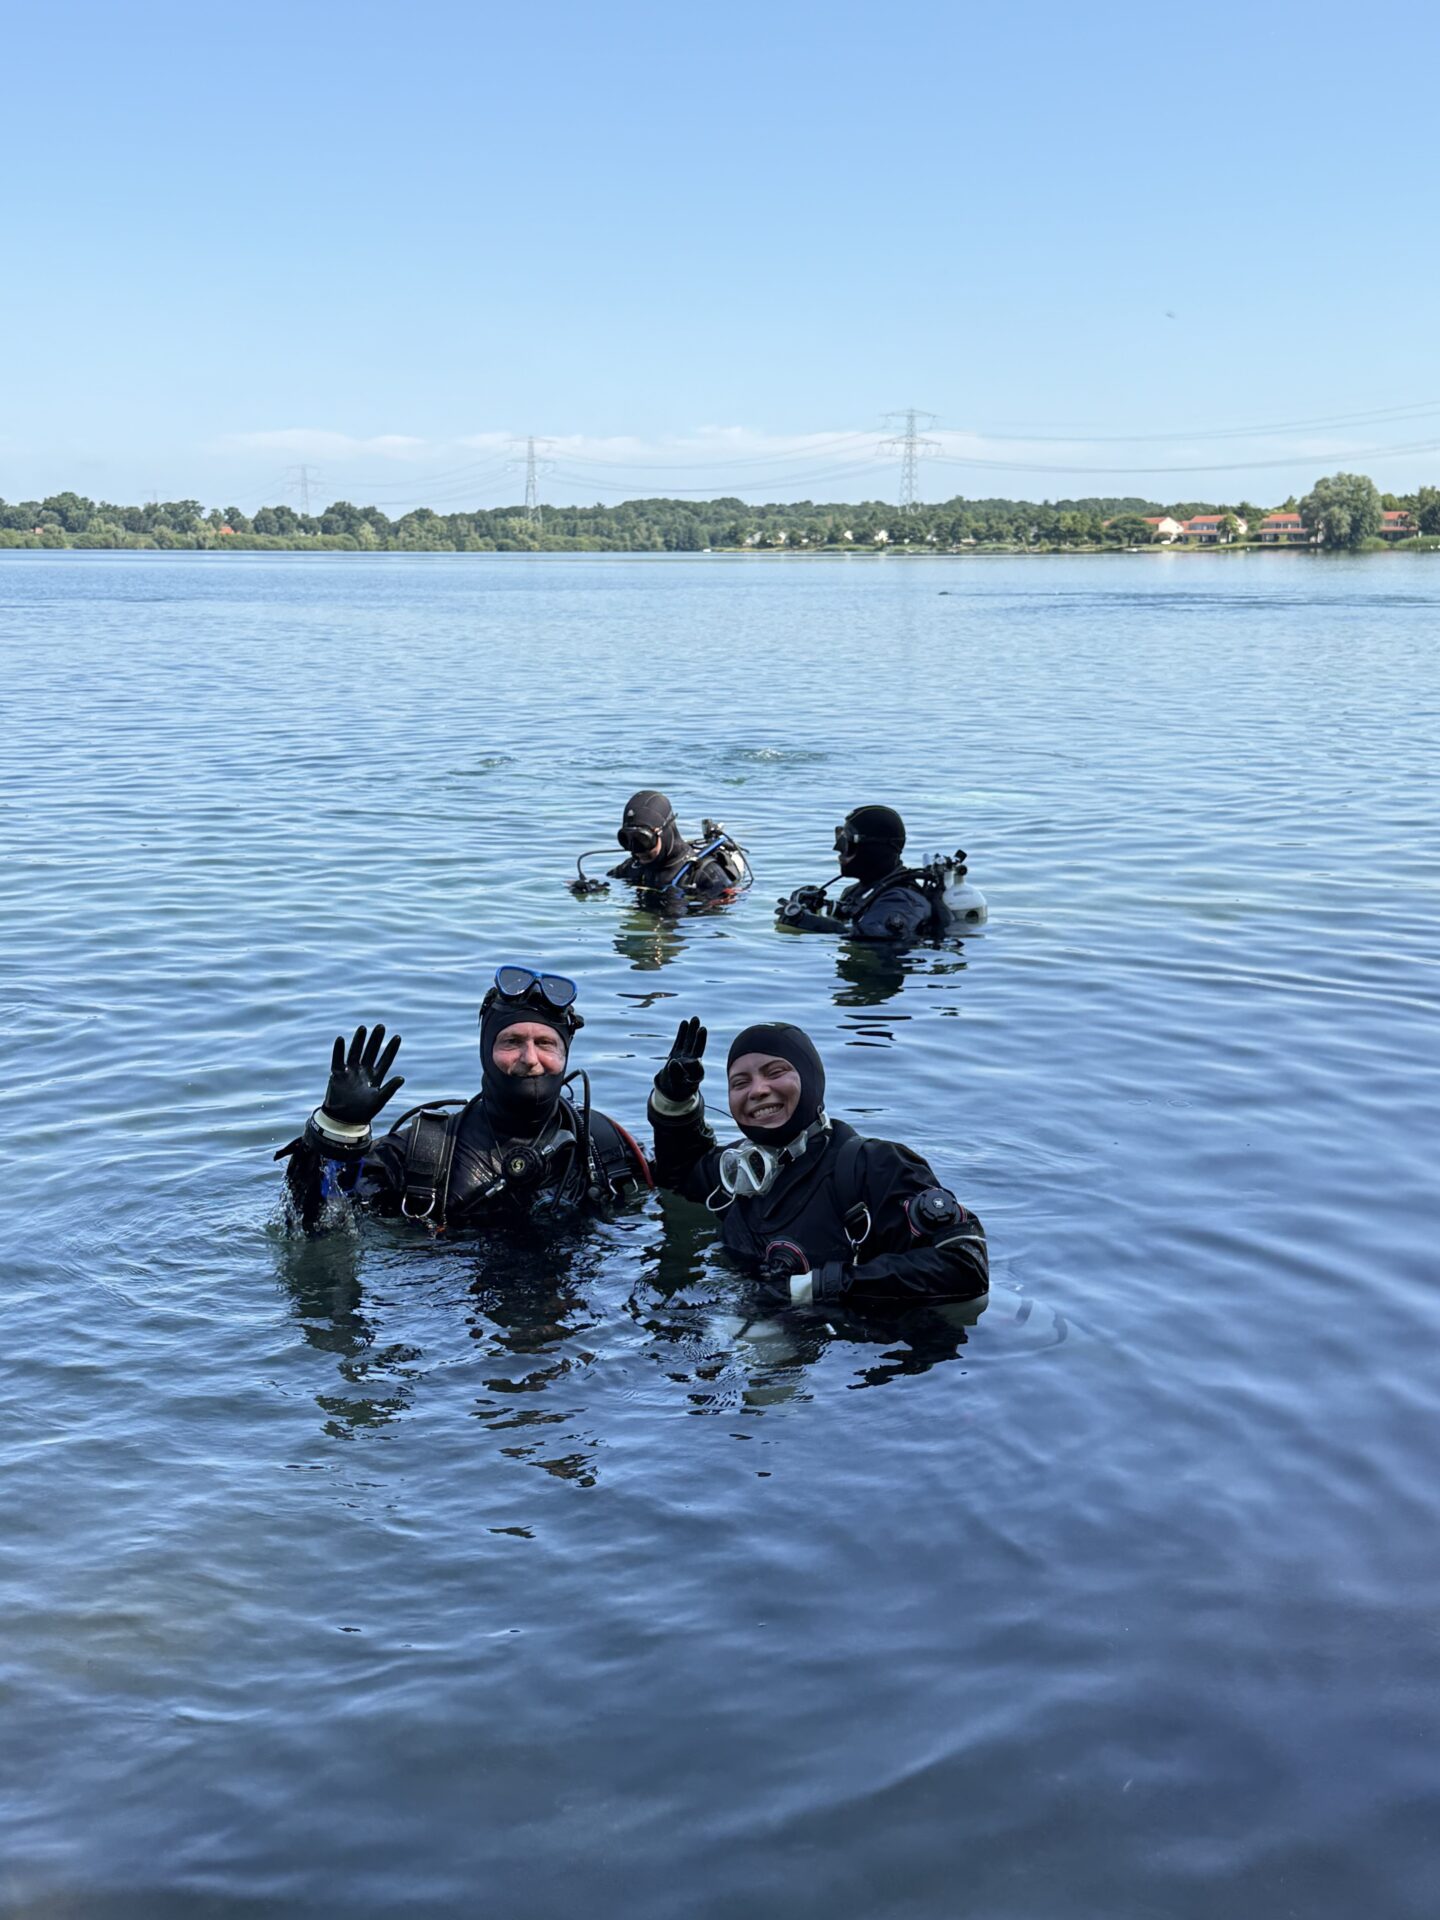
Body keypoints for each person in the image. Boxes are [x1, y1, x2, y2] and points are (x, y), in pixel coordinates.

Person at [277, 966, 651, 1233]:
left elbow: (675, 1196)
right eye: (512, 1042)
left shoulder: (603, 1145)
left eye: (546, 1043)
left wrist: (673, 1116)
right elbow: (315, 1226)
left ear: (566, 1054)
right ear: (485, 1049)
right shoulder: (424, 1152)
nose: (530, 1059)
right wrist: (336, 1132)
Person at [647, 1016, 988, 1306]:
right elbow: (679, 1177)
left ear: (811, 1079)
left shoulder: (874, 1166)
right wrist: (674, 1103)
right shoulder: (739, 1169)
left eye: (775, 1071)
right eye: (740, 1082)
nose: (758, 1090)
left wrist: (818, 1286)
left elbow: (964, 1265)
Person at [775, 804, 981, 943]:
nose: (839, 850)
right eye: (840, 840)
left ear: (874, 850)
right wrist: (816, 906)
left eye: (848, 843)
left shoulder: (901, 900)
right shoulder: (859, 890)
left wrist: (801, 919)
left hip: (880, 979)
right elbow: (851, 919)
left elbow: (872, 937)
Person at [578, 790, 748, 912]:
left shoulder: (704, 874)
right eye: (627, 840)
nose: (636, 850)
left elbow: (722, 916)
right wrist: (589, 887)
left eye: (643, 840)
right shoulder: (635, 866)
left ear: (664, 832)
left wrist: (682, 913)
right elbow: (609, 881)